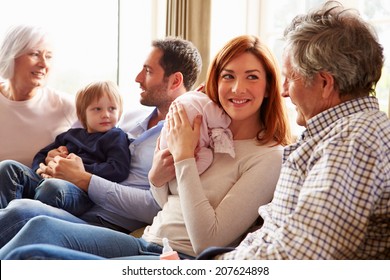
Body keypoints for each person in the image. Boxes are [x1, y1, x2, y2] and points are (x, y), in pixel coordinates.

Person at [0, 34, 292, 260]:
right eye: (228, 76)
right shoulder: (208, 130)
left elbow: (208, 241)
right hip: (148, 240)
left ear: (269, 87)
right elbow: (167, 204)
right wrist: (157, 177)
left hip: (178, 258)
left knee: (31, 254)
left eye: (251, 77)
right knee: (37, 226)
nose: (237, 88)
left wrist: (184, 159)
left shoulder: (268, 156)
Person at [197, 1, 390, 260]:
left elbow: (302, 255)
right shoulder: (343, 133)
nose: (284, 90)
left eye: (289, 78)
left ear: (324, 83)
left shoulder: (351, 139)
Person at [0, 37, 202, 248]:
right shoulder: (128, 115)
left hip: (104, 221)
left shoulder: (184, 136)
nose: (137, 78)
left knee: (23, 212)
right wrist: (56, 155)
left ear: (176, 81)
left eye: (148, 71)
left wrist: (84, 178)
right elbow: (77, 135)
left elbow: (156, 205)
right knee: (8, 169)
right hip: (74, 198)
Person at [0, 80, 131, 215]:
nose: (106, 114)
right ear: (82, 114)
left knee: (51, 187)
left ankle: (24, 223)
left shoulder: (115, 136)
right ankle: (6, 219)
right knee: (7, 167)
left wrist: (75, 170)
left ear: (120, 112)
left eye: (112, 109)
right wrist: (40, 170)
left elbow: (119, 169)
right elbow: (42, 154)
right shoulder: (71, 135)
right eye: (97, 109)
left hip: (79, 192)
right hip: (48, 179)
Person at [0, 24, 77, 167]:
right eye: (35, 54)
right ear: (11, 56)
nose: (43, 64)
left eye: (48, 56)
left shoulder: (68, 106)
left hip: (45, 186)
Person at [158, 90, 234, 177]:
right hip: (180, 152)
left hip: (164, 145)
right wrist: (228, 118)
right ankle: (181, 178)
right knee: (207, 156)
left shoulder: (188, 97)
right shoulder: (209, 104)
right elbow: (222, 122)